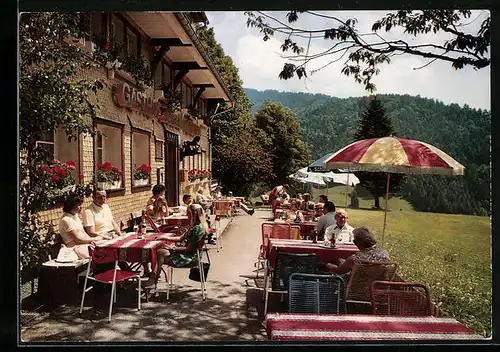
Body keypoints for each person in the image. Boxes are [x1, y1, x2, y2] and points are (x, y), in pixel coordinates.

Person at [142, 203, 208, 288]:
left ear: (194, 214)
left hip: (190, 258)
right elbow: (180, 238)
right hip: (193, 255)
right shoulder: (196, 226)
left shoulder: (197, 229)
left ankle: (153, 279)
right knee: (160, 252)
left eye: (188, 213)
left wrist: (172, 248)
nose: (187, 215)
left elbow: (188, 249)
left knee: (160, 253)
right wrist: (164, 237)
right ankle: (153, 278)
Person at [322, 226, 390, 275]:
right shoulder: (384, 253)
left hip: (357, 291)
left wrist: (326, 264)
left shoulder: (355, 259)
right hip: (378, 289)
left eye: (354, 240)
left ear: (357, 243)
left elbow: (338, 271)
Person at [58, 195, 103, 260]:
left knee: (106, 248)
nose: (81, 207)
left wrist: (92, 240)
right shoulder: (66, 219)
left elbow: (83, 233)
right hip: (75, 248)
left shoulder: (75, 216)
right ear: (71, 206)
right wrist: (95, 239)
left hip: (83, 245)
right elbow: (78, 239)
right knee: (102, 253)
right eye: (79, 205)